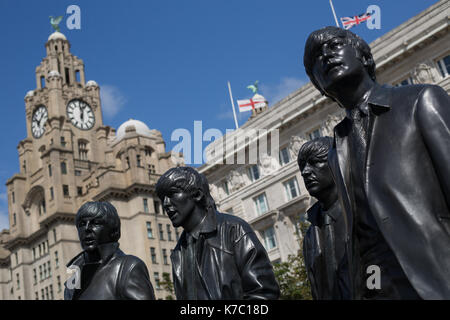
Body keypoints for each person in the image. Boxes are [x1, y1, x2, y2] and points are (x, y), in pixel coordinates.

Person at [303, 26, 450, 299]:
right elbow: (361, 238)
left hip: (436, 279)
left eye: (334, 46)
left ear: (364, 56)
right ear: (320, 88)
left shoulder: (420, 101)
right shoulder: (337, 150)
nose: (325, 56)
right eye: (315, 60)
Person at [155, 166, 280, 300]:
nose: (166, 204)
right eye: (163, 198)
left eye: (173, 193)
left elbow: (264, 294)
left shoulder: (234, 230)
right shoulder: (178, 253)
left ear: (197, 195)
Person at [64, 201, 156, 300]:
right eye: (82, 224)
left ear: (113, 230)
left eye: (96, 223)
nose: (87, 228)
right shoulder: (73, 280)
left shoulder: (128, 268)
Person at [298, 137, 351, 300]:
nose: (305, 172)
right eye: (302, 166)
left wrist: (375, 292)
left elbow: (378, 268)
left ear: (335, 163)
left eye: (314, 162)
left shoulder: (360, 213)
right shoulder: (310, 236)